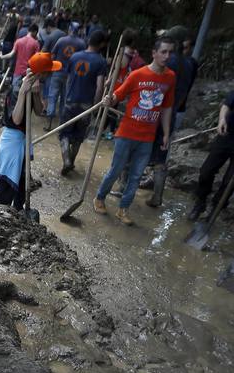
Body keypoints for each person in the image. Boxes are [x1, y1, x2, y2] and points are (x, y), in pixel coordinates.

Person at [93, 36, 176, 226]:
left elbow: (167, 107)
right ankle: (99, 197)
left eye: (170, 52)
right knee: (116, 170)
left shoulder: (170, 77)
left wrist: (165, 133)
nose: (167, 56)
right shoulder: (138, 75)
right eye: (163, 52)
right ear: (154, 54)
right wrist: (109, 98)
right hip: (127, 133)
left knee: (136, 176)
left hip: (147, 137)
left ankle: (123, 209)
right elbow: (119, 94)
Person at [0, 53, 61, 212]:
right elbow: (16, 119)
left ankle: (18, 210)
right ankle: (1, 214)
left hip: (23, 138)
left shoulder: (35, 83)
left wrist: (36, 93)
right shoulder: (18, 88)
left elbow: (38, 111)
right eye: (48, 72)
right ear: (41, 73)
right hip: (12, 140)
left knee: (22, 180)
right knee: (8, 181)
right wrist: (24, 92)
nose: (50, 74)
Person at [147, 26, 199, 208]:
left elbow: (155, 86)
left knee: (137, 149)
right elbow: (187, 90)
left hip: (156, 112)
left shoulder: (169, 63)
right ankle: (157, 195)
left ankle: (123, 187)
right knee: (162, 154)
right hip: (174, 111)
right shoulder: (191, 63)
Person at [58, 29, 107, 174]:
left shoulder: (74, 57)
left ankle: (66, 160)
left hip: (70, 101)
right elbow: (99, 87)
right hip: (86, 105)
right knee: (79, 137)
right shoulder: (101, 61)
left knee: (64, 133)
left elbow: (68, 79)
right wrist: (96, 106)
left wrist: (66, 97)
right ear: (102, 44)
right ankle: (71, 161)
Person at [187, 92, 234, 221]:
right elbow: (226, 105)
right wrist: (222, 119)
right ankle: (200, 202)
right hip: (227, 135)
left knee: (229, 181)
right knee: (206, 171)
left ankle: (216, 208)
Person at [44, 21, 85, 130]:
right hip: (71, 75)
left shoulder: (61, 40)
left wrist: (49, 68)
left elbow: (52, 55)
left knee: (52, 96)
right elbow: (82, 61)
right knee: (64, 99)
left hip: (57, 72)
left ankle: (49, 123)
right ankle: (61, 125)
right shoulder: (81, 43)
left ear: (69, 29)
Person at [0, 23, 40, 92]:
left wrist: (1, 57)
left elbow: (11, 54)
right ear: (35, 32)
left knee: (15, 92)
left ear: (28, 31)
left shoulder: (18, 41)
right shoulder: (35, 43)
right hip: (29, 72)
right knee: (26, 94)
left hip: (18, 71)